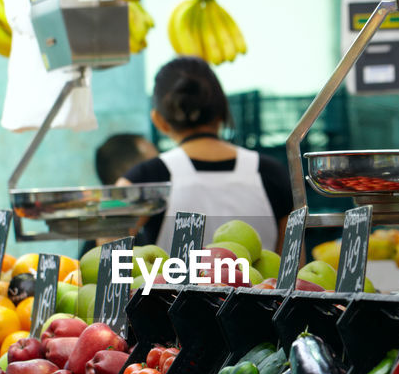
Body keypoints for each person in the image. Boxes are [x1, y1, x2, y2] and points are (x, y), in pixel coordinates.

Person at [120, 57, 291, 250]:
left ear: (159, 121)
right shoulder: (272, 174)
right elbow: (294, 270)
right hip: (264, 282)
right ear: (223, 110)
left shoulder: (144, 179)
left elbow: (107, 263)